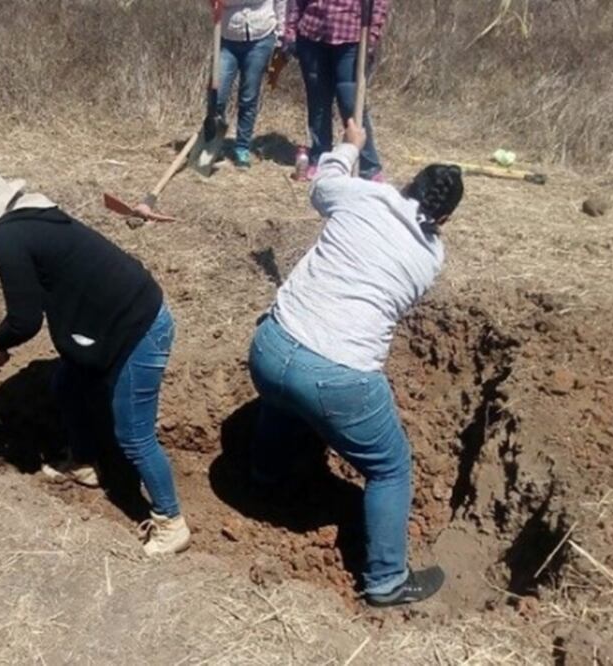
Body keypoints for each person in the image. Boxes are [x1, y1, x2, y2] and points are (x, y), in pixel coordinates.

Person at [246, 119, 463, 606]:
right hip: (337, 375)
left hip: (270, 346)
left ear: (405, 183)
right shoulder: (430, 257)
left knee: (282, 399)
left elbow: (322, 185)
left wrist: (349, 146)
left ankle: (263, 477)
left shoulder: (365, 196)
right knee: (390, 468)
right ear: (444, 218)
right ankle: (386, 581)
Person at [0, 164, 189, 557]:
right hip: (108, 323)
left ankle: (171, 522)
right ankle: (84, 463)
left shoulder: (9, 238)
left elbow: (24, 320)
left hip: (138, 329)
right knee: (67, 384)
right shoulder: (28, 217)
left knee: (134, 434)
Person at [282, 0, 390, 181]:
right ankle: (320, 157)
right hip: (311, 34)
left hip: (351, 37)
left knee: (350, 101)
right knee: (318, 102)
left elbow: (379, 4)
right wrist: (290, 32)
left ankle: (369, 166)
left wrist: (373, 34)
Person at [215, 0, 287, 168]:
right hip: (228, 37)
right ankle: (213, 145)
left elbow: (281, 3)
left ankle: (242, 147)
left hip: (260, 38)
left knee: (248, 97)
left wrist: (281, 35)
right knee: (217, 94)